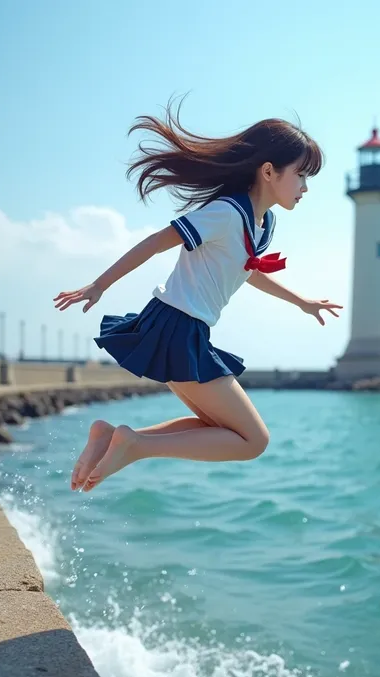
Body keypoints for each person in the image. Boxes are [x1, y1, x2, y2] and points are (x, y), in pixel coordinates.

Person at [54, 99, 342, 493]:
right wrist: (99, 284)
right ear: (270, 171)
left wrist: (302, 302)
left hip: (186, 330)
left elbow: (248, 272)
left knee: (222, 430)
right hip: (174, 325)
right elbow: (158, 241)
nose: (306, 187)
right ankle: (133, 445)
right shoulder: (225, 212)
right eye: (302, 175)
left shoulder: (263, 221)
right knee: (254, 440)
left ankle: (114, 438)